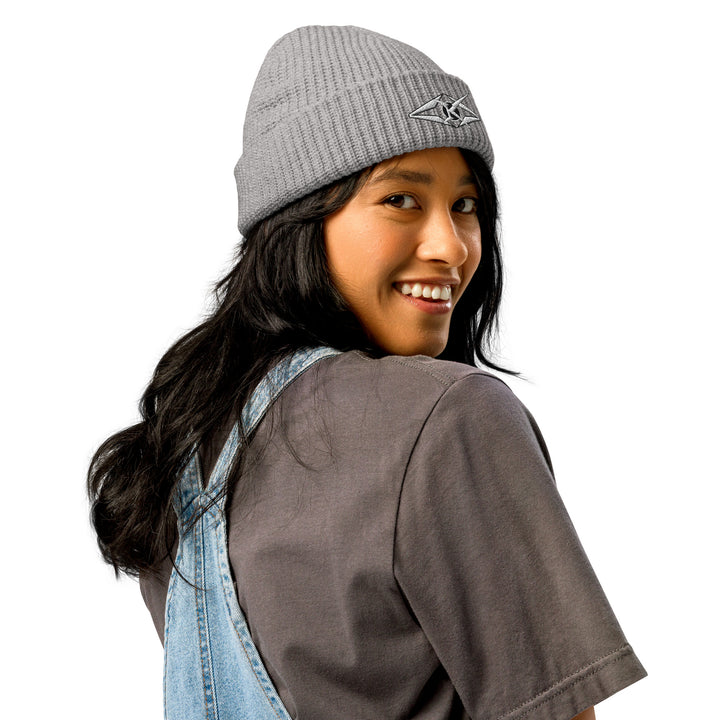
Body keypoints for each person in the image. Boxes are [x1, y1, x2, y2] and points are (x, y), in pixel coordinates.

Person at [87, 25, 646, 720]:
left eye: (466, 206)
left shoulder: (183, 449)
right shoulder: (451, 417)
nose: (452, 247)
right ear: (300, 218)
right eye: (401, 199)